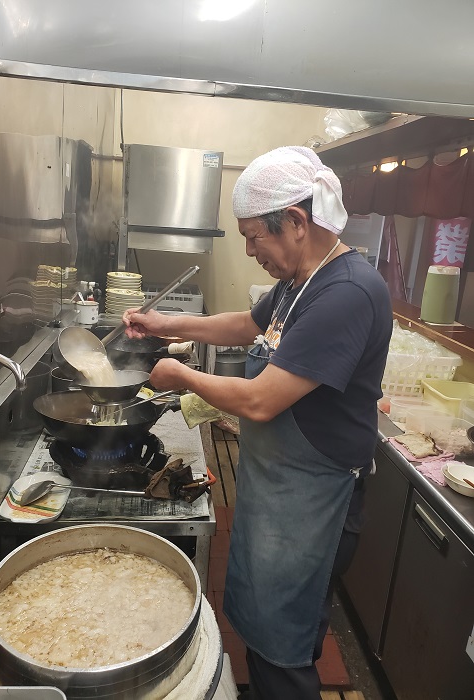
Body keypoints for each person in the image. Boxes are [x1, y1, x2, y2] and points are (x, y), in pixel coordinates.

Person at [122, 146, 393, 700]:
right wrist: (164, 323)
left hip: (314, 502)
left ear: (295, 221)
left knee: (282, 649)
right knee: (270, 631)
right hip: (280, 491)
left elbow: (261, 402)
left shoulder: (345, 293)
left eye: (253, 236)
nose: (249, 251)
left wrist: (182, 376)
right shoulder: (301, 280)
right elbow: (248, 324)